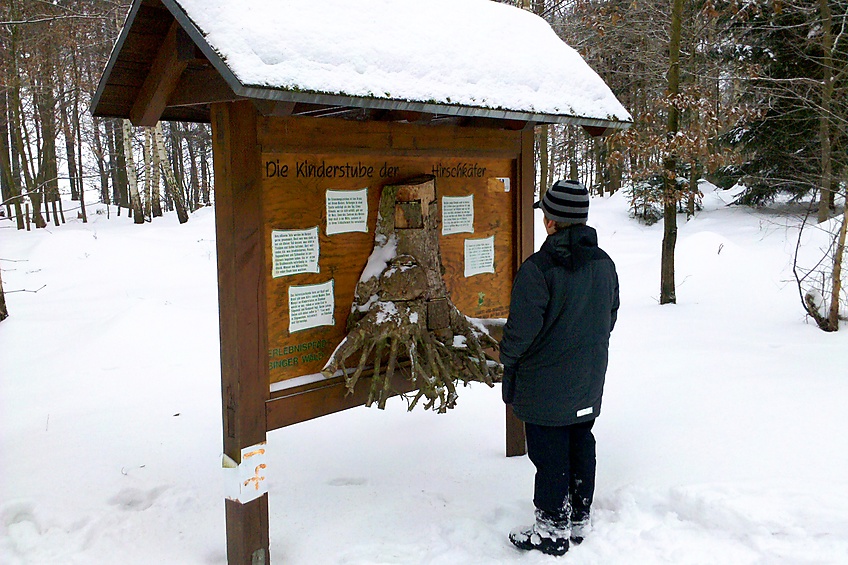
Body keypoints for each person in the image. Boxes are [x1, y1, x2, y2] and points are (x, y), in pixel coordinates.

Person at [499, 179, 619, 556]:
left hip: (545, 383)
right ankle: (579, 517)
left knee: (549, 452)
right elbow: (609, 316)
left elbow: (521, 331)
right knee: (581, 439)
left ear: (551, 222)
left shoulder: (539, 269)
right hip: (587, 377)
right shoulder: (604, 264)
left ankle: (552, 530)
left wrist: (507, 360)